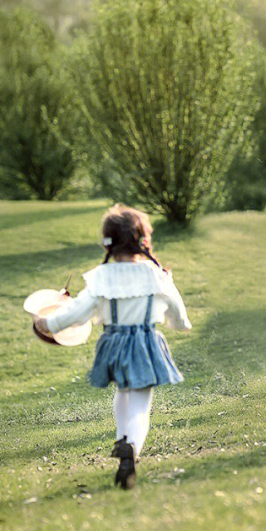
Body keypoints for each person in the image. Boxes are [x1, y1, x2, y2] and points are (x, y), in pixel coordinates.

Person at [34, 204, 190, 489]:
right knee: (141, 404)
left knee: (122, 392)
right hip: (145, 343)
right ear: (142, 240)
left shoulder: (101, 278)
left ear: (108, 242)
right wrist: (181, 325)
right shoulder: (157, 275)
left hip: (114, 344)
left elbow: (77, 312)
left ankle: (123, 441)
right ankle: (130, 446)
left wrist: (49, 324)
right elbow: (177, 312)